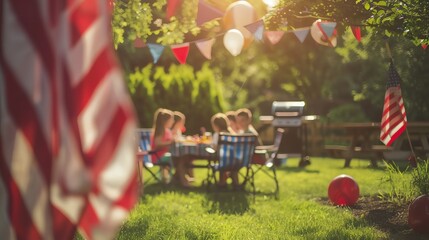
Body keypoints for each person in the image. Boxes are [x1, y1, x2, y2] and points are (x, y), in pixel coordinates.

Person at [210, 113, 239, 189]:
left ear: (216, 126)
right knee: (230, 163)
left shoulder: (218, 135)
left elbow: (215, 148)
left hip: (223, 161)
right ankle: (236, 184)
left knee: (222, 161)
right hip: (236, 161)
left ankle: (222, 183)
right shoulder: (233, 134)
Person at [151, 108, 175, 184]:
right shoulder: (160, 131)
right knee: (175, 158)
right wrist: (170, 143)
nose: (173, 121)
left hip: (163, 155)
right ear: (166, 121)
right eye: (171, 120)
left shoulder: (167, 131)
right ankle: (172, 178)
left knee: (177, 157)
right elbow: (157, 144)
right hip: (157, 156)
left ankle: (171, 177)